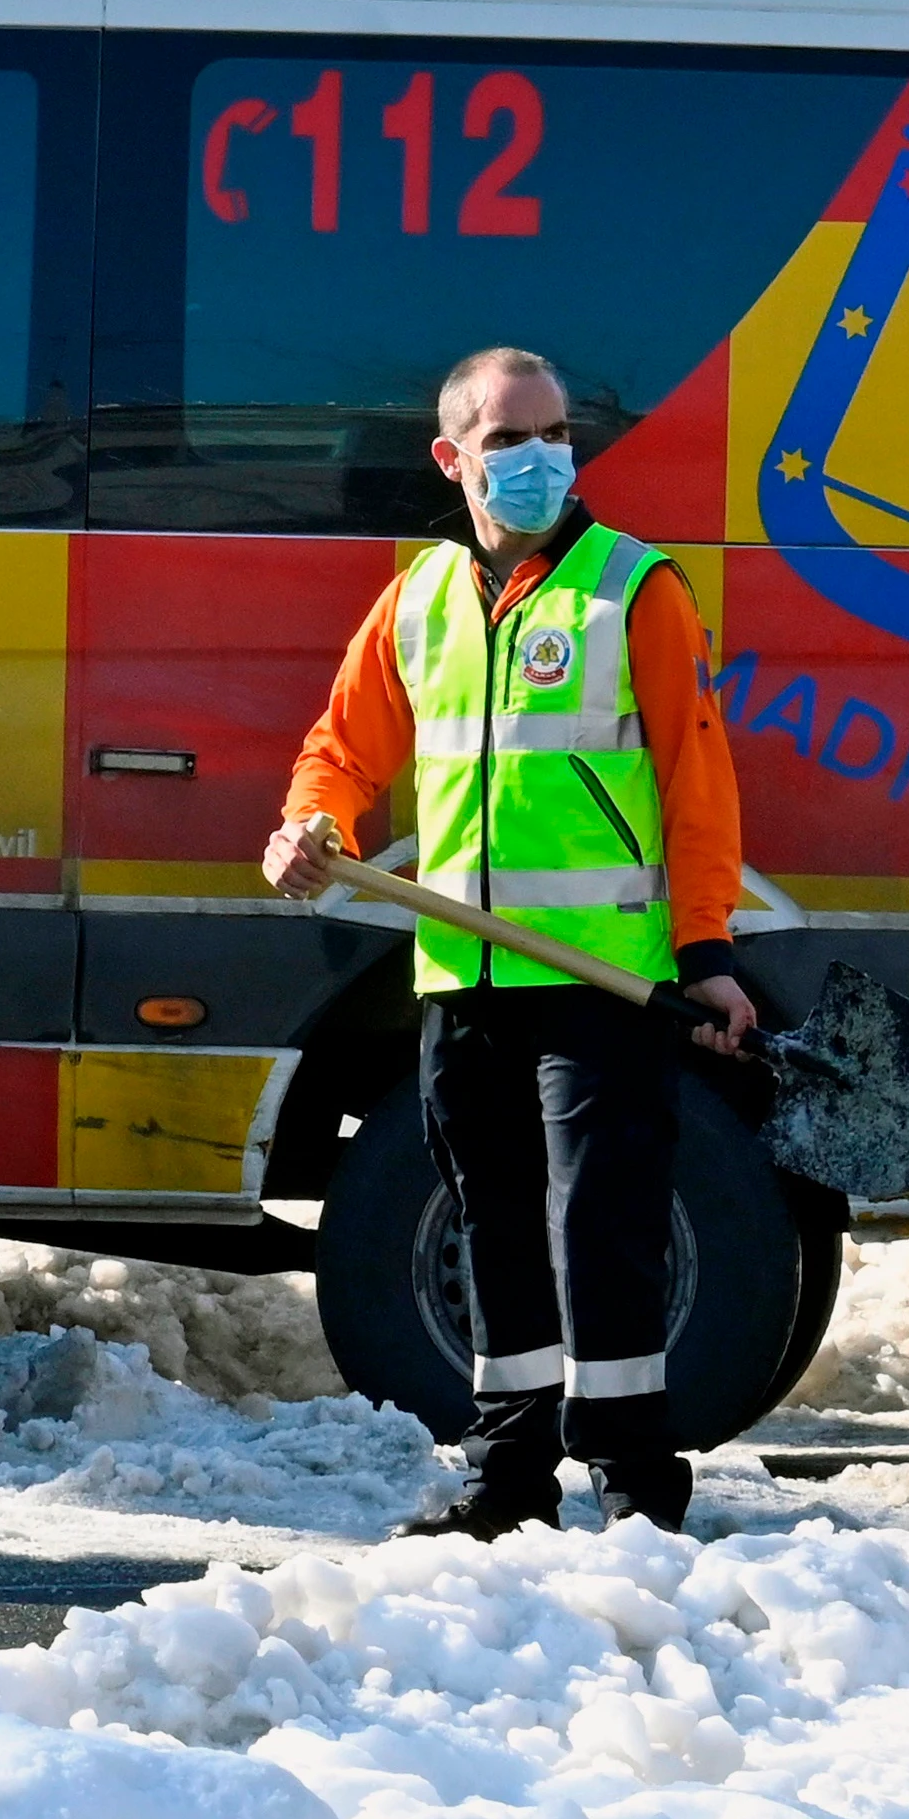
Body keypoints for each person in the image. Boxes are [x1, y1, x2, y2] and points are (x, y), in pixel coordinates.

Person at [265, 345, 756, 1536]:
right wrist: (309, 825)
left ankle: (638, 1491)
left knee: (602, 1227)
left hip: (602, 979)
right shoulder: (419, 600)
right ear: (452, 458)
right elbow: (343, 746)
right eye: (507, 439)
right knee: (490, 1225)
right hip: (465, 972)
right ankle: (506, 1482)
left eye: (554, 435)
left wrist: (706, 949)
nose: (538, 458)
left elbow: (699, 778)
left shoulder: (634, 588)